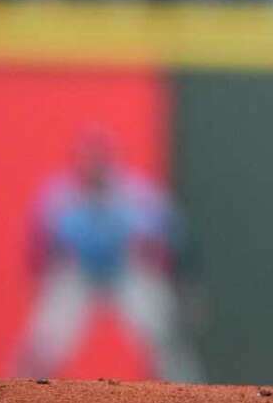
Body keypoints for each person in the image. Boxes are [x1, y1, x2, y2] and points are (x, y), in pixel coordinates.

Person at [13, 134, 203, 382]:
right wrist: (40, 278)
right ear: (78, 164)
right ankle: (16, 394)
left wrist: (187, 284)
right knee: (45, 340)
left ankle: (190, 394)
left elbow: (174, 236)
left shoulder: (136, 194)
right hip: (79, 271)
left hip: (126, 269)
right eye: (89, 161)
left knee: (165, 334)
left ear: (111, 164)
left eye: (100, 162)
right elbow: (39, 243)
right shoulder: (59, 196)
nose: (95, 168)